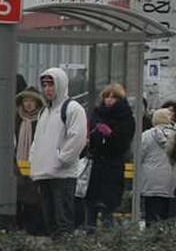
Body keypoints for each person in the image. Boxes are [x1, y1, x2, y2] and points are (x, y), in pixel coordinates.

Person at [29, 68, 88, 238]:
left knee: (63, 221)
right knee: (50, 220)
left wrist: (62, 159)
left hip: (62, 174)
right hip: (44, 172)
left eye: (51, 84)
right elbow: (37, 141)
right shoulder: (44, 111)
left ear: (61, 84)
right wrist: (35, 160)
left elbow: (77, 137)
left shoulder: (72, 108)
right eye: (45, 85)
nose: (47, 89)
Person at [85, 83, 136, 229]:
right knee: (91, 205)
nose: (109, 100)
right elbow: (91, 140)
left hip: (113, 166)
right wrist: (94, 136)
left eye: (113, 97)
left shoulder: (126, 117)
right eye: (107, 96)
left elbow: (124, 144)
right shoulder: (97, 113)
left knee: (108, 206)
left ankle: (110, 238)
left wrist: (111, 135)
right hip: (95, 166)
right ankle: (90, 233)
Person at [137, 108, 176, 226]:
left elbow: (139, 156)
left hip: (151, 182)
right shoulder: (174, 135)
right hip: (172, 181)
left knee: (152, 216)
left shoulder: (146, 136)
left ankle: (152, 240)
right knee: (169, 216)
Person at [15, 87, 45, 235]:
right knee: (17, 196)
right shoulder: (16, 118)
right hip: (17, 165)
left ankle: (33, 229)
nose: (28, 104)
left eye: (31, 101)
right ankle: (18, 228)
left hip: (36, 164)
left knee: (33, 199)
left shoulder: (43, 119)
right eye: (25, 100)